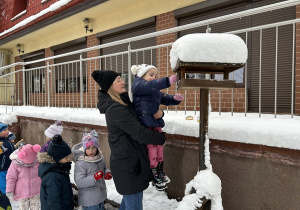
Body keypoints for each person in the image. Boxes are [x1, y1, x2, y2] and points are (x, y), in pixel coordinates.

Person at [91, 70, 166, 210]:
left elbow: (144, 114)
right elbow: (139, 132)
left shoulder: (124, 103)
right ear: (110, 87)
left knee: (128, 204)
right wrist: (161, 138)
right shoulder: (115, 109)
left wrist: (160, 113)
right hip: (128, 167)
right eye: (118, 80)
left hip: (132, 164)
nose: (123, 82)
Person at [131, 64, 183, 190]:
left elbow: (163, 97)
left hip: (155, 123)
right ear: (141, 76)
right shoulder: (138, 86)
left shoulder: (153, 90)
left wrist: (175, 99)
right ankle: (153, 172)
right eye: (151, 75)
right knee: (152, 149)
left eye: (156, 76)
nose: (154, 78)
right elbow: (150, 86)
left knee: (160, 147)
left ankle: (160, 170)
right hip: (145, 125)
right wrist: (166, 81)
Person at [72, 130, 112, 210]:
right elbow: (79, 182)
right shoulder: (81, 163)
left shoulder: (100, 158)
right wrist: (94, 178)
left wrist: (107, 173)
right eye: (88, 148)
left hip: (100, 196)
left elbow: (104, 168)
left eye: (94, 147)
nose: (91, 150)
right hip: (89, 201)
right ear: (84, 148)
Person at [38, 134, 73, 210]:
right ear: (57, 158)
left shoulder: (60, 169)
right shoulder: (53, 176)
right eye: (66, 157)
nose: (69, 159)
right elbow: (53, 200)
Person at [6, 144, 42, 210]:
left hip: (36, 191)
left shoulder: (37, 161)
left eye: (32, 162)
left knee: (36, 208)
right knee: (23, 208)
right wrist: (10, 190)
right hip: (22, 192)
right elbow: (11, 177)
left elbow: (42, 174)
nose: (29, 164)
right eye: (27, 163)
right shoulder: (15, 163)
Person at [0, 122, 15, 194]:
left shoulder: (6, 139)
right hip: (2, 167)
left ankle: (8, 193)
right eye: (4, 130)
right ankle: (3, 196)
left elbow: (11, 147)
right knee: (3, 183)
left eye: (7, 129)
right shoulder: (1, 143)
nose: (7, 131)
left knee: (9, 180)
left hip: (9, 165)